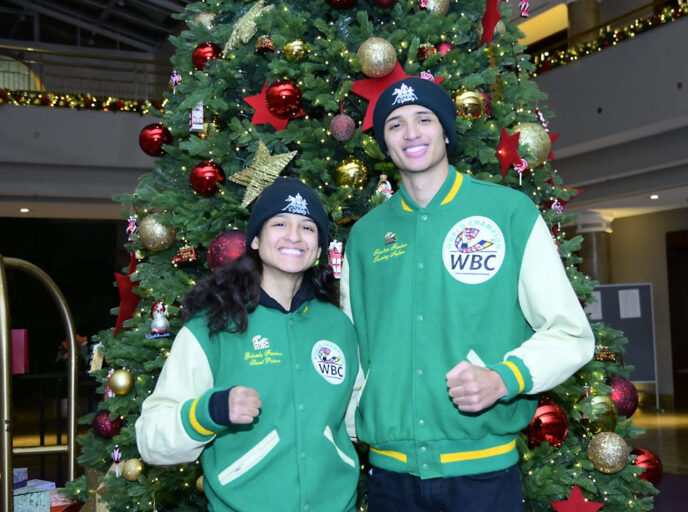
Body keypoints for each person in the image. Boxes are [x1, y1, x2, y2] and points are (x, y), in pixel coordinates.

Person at [340, 77, 595, 511]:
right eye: (395, 125)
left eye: (424, 119)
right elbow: (354, 348)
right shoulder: (364, 237)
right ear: (384, 143)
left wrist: (503, 378)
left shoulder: (509, 213)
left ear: (445, 131)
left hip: (482, 477)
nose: (411, 133)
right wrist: (352, 423)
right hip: (389, 479)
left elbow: (571, 333)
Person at [136, 178, 360, 512]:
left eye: (308, 227)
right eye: (280, 223)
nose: (294, 236)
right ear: (255, 239)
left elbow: (361, 415)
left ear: (318, 248)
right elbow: (151, 440)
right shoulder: (211, 328)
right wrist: (209, 412)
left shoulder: (338, 325)